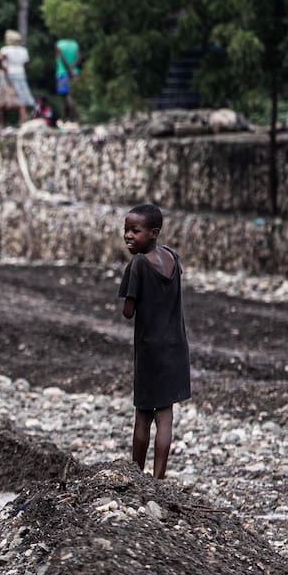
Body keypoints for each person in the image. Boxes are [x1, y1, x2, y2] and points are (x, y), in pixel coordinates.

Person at [118, 203, 191, 480]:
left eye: (135, 231)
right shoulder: (172, 257)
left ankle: (136, 476)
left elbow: (128, 312)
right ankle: (158, 479)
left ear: (154, 233)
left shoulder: (137, 264)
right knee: (165, 417)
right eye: (126, 230)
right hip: (176, 348)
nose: (128, 236)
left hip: (150, 352)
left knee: (142, 418)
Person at [0, 30, 35, 128]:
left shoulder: (5, 49)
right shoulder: (23, 50)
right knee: (22, 100)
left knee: (3, 101)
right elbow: (26, 63)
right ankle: (23, 122)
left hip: (7, 76)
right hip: (21, 75)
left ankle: (3, 125)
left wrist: (2, 68)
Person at [55, 37, 81, 122]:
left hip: (62, 73)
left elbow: (62, 58)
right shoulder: (75, 44)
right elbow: (79, 57)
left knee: (66, 96)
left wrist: (69, 70)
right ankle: (66, 119)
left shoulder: (59, 44)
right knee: (72, 96)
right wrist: (72, 69)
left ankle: (71, 119)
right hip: (75, 72)